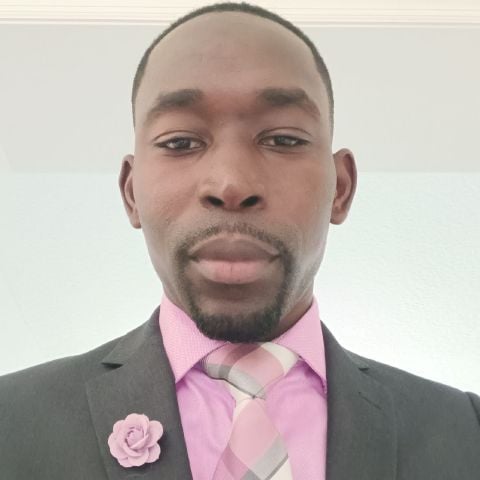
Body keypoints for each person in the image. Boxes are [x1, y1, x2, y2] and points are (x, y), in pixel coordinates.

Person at [1, 2, 479, 479]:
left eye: (284, 139)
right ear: (131, 194)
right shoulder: (12, 422)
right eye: (180, 142)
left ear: (341, 187)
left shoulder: (466, 432)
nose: (231, 184)